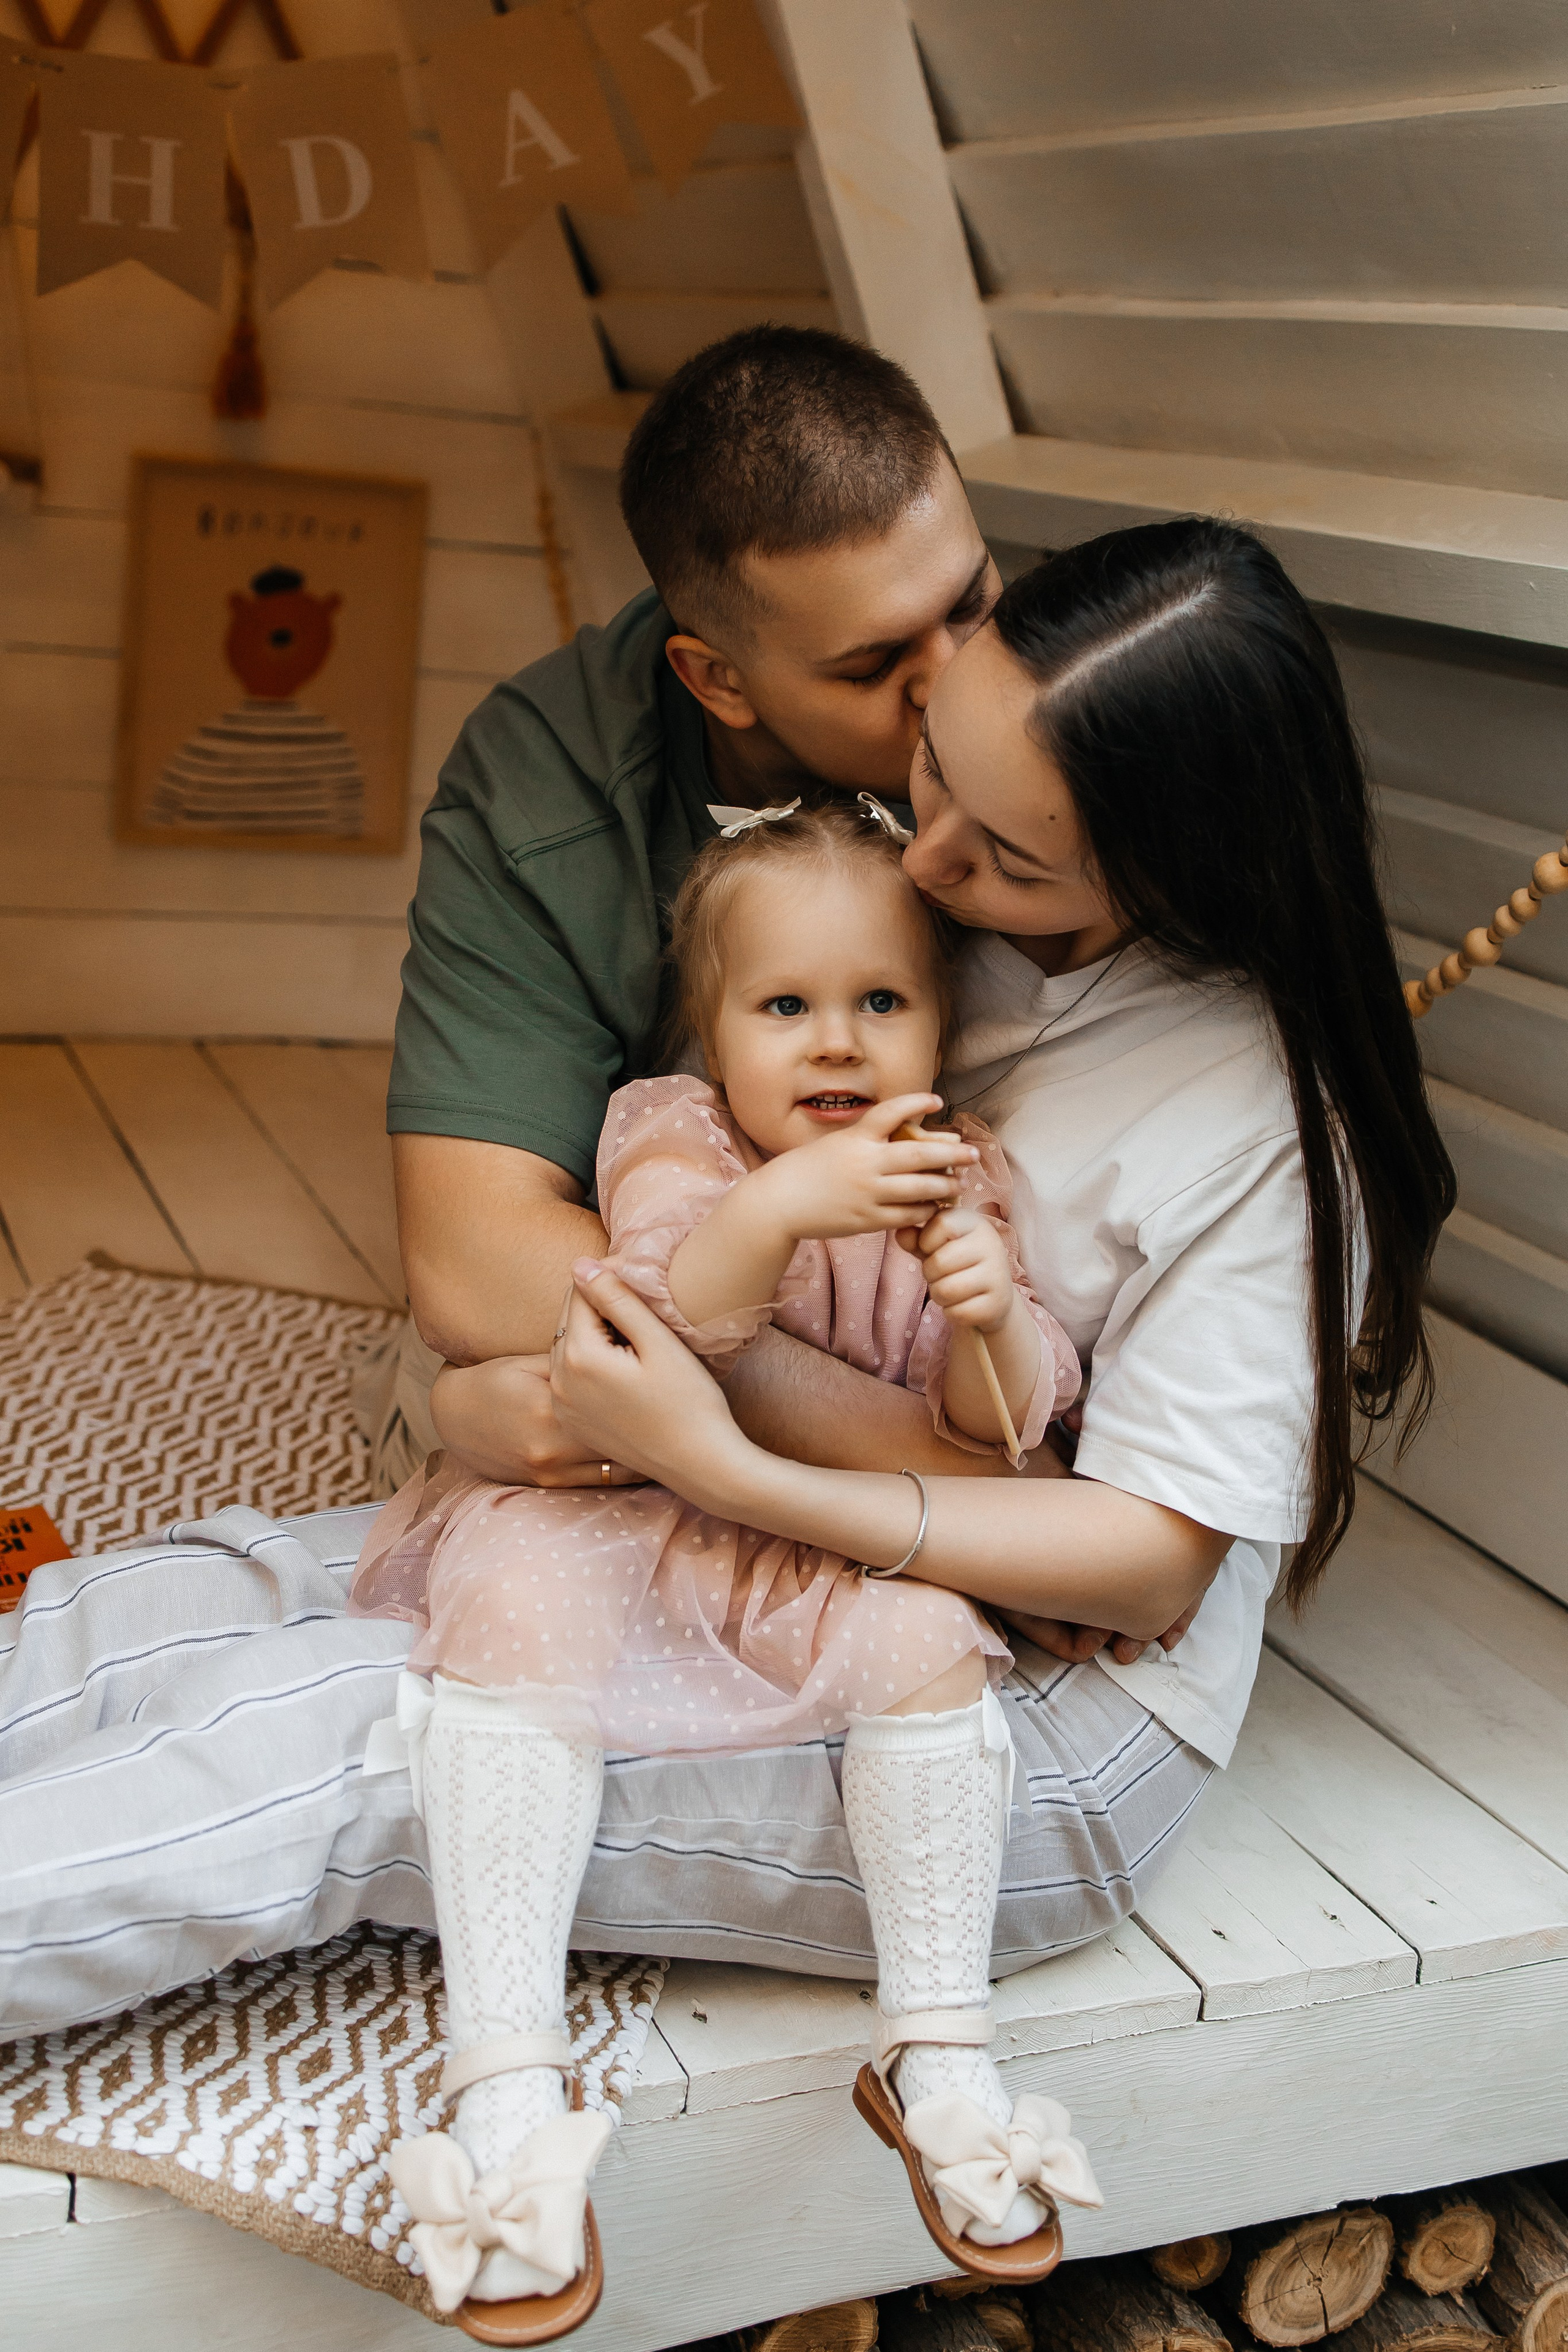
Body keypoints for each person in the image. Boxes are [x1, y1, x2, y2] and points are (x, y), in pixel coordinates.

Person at [1, 330, 1176, 2035]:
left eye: (971, 601)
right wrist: (916, 1477)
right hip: (697, 1407)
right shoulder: (553, 781)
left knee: (356, 1702)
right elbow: (482, 1267)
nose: (952, 685)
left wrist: (950, 1492)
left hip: (865, 1468)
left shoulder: (1071, 723)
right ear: (717, 680)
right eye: (877, 665)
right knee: (280, 1573)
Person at [366, 805, 1104, 2324]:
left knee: (929, 1638)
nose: (834, 1042)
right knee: (508, 1598)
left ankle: (936, 2051)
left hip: (811, 1547)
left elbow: (995, 1432)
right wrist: (780, 1207)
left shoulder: (954, 1174)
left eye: (878, 1003)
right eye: (784, 1006)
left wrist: (987, 1316)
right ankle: (503, 2064)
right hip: (634, 1516)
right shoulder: (676, 1129)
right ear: (711, 1030)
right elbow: (661, 1315)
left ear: (939, 1027)